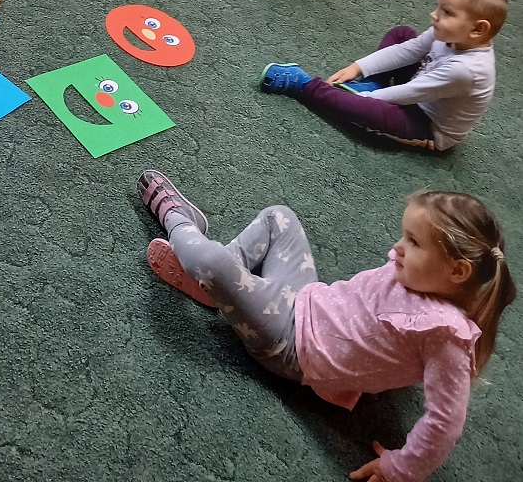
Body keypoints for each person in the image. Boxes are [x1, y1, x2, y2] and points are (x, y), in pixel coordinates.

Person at [137, 172, 515, 482]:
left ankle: (180, 221)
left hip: (290, 345)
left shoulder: (446, 335)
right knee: (279, 217)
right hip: (305, 298)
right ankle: (219, 290)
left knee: (215, 264)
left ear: (457, 271)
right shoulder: (416, 274)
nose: (398, 247)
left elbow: (446, 422)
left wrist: (401, 469)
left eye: (414, 242)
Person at [261, 0, 505, 152]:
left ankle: (305, 85)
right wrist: (359, 67)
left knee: (370, 110)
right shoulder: (448, 34)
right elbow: (409, 50)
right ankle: (374, 83)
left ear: (477, 29)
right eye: (438, 7)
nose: (434, 15)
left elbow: (410, 93)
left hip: (427, 125)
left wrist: (361, 100)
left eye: (447, 12)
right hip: (419, 87)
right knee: (402, 34)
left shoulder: (467, 71)